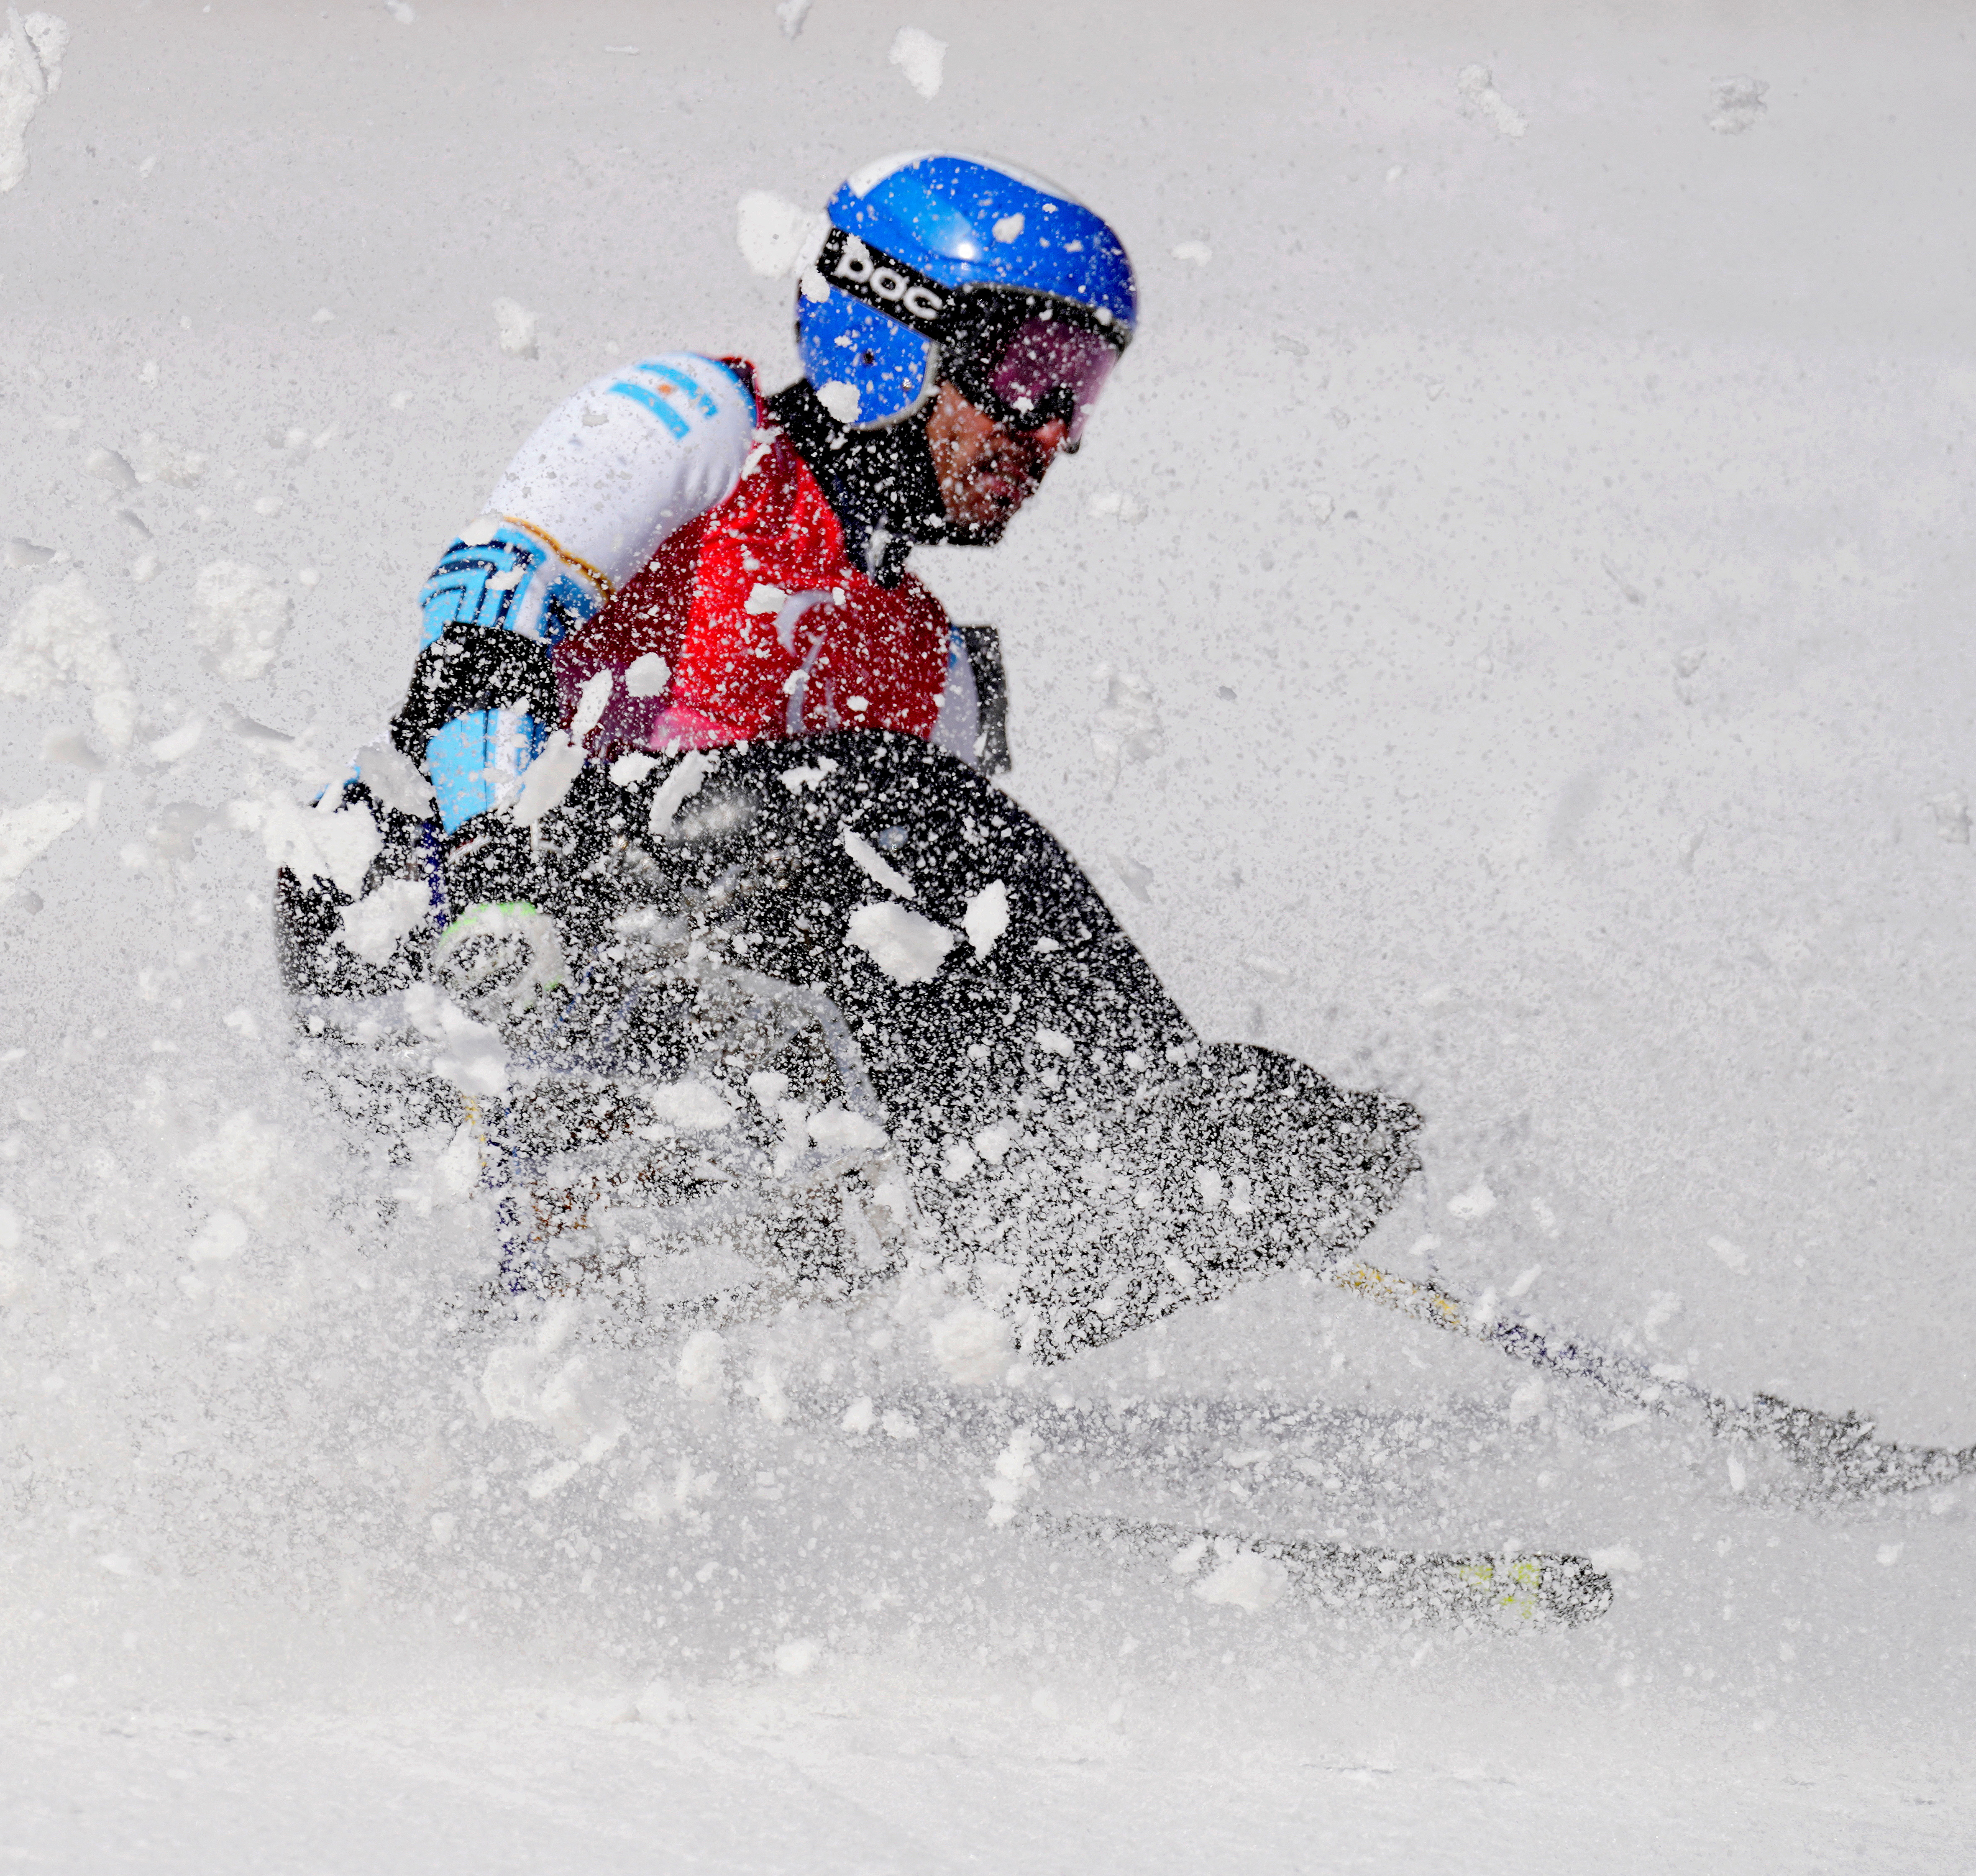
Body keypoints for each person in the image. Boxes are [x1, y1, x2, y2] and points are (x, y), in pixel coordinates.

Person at [279, 152, 1418, 1358]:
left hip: (640, 977)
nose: (1049, 436)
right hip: (427, 895)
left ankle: (1058, 1204)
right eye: (1029, 373)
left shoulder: (935, 674)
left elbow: (911, 979)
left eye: (1077, 393)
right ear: (893, 331)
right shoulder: (702, 426)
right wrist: (497, 874)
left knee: (907, 925)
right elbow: (482, 619)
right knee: (862, 803)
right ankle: (1099, 1153)